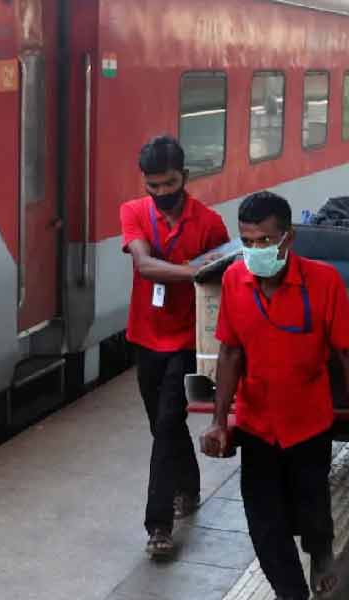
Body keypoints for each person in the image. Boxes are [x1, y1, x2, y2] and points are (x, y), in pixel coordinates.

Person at [201, 191, 349, 600]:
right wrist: (218, 420)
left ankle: (320, 553)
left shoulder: (323, 281)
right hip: (257, 424)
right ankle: (291, 593)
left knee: (312, 509)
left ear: (288, 239)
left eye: (264, 241)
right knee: (265, 523)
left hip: (308, 423)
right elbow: (230, 350)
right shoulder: (234, 279)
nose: (254, 251)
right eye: (246, 242)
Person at [120, 135, 229, 557]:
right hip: (144, 336)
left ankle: (158, 526)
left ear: (184, 177)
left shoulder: (209, 223)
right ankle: (189, 483)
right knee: (161, 425)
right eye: (153, 186)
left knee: (167, 423)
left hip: (186, 340)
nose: (162, 194)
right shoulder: (133, 212)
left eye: (169, 184)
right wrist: (194, 270)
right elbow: (144, 265)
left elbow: (217, 283)